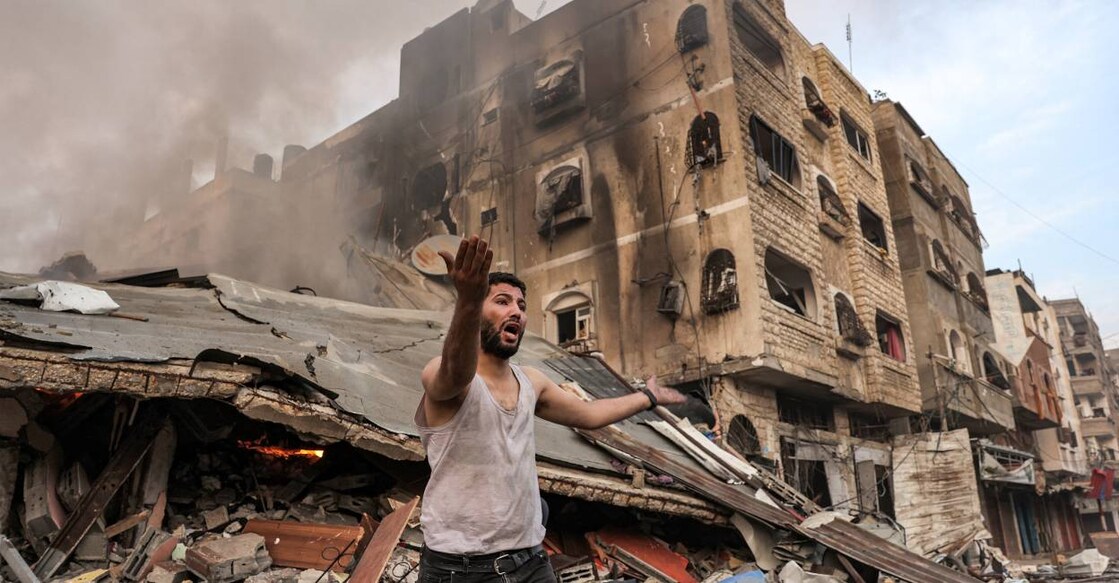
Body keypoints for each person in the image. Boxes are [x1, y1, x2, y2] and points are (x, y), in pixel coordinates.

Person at [415, 235, 685, 583]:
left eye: (522, 306)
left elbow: (590, 415)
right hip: (460, 570)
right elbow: (455, 374)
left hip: (530, 561)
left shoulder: (532, 381)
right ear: (477, 309)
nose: (516, 311)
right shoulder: (440, 372)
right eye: (501, 301)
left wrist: (647, 397)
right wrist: (468, 299)